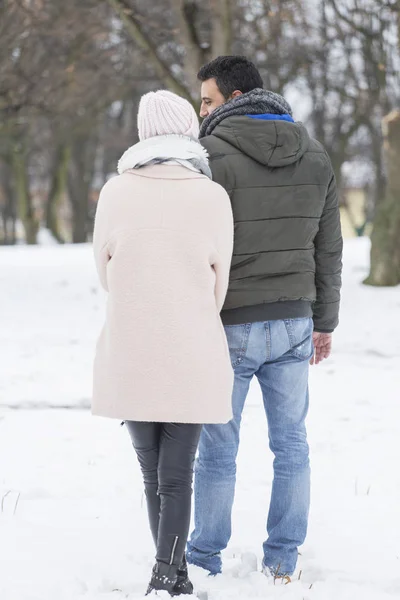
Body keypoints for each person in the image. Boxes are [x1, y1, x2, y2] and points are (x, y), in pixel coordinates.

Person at [187, 56, 343, 580]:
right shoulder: (316, 153)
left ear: (232, 99)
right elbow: (329, 249)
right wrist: (326, 322)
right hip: (295, 322)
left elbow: (195, 247)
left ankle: (204, 558)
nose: (200, 109)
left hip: (229, 323)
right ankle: (283, 561)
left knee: (216, 450)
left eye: (206, 99)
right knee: (292, 444)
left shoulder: (208, 155)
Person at [92, 90, 234, 596]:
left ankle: (169, 574)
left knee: (150, 472)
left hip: (132, 346)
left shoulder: (114, 191)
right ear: (187, 134)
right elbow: (221, 281)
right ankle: (170, 573)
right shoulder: (211, 195)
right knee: (178, 475)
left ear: (141, 134)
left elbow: (104, 271)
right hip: (191, 347)